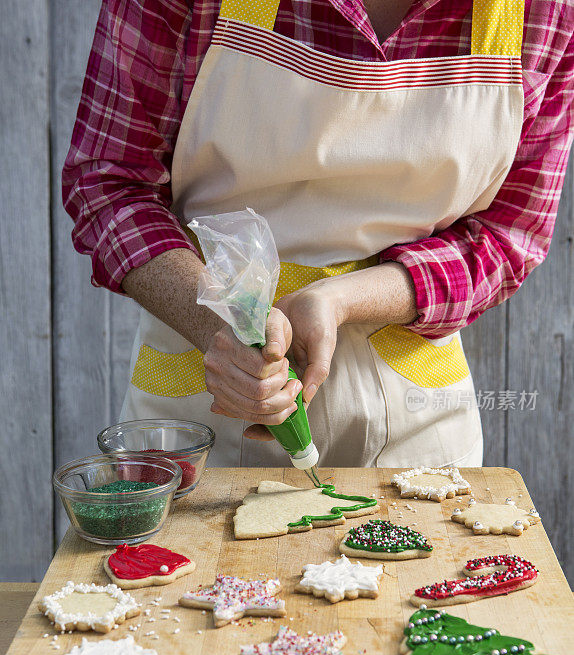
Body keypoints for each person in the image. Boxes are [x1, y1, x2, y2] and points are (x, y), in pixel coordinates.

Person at [63, 0, 573, 469]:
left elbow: (509, 235)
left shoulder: (545, 12)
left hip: (417, 423)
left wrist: (342, 298)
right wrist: (220, 327)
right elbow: (108, 182)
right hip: (206, 404)